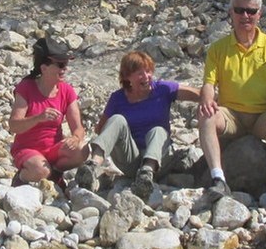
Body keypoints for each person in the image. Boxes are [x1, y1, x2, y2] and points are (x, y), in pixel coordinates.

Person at [198, 0, 266, 206]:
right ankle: (218, 179)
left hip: (262, 117)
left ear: (259, 14)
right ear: (231, 13)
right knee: (206, 115)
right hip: (231, 116)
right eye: (240, 10)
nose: (245, 16)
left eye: (251, 11)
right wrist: (206, 99)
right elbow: (209, 84)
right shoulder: (218, 49)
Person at [75, 50, 200, 200]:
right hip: (131, 160)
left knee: (158, 130)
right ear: (127, 77)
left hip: (159, 160)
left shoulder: (163, 89)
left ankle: (146, 175)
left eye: (148, 71)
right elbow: (101, 129)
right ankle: (91, 167)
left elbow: (195, 93)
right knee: (116, 120)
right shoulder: (117, 98)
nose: (146, 76)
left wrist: (211, 100)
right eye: (140, 73)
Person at [8, 36, 88, 187]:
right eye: (60, 64)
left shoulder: (67, 91)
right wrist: (38, 118)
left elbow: (78, 127)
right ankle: (22, 177)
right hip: (27, 149)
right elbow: (13, 126)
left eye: (66, 64)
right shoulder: (26, 88)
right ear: (44, 68)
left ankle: (55, 172)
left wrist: (76, 138)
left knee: (82, 149)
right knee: (40, 169)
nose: (65, 69)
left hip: (53, 149)